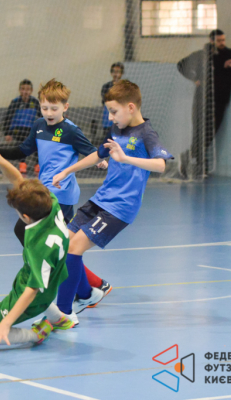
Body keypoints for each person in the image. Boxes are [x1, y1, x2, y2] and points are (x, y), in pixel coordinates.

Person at [46, 80, 173, 325]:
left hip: (120, 208)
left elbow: (160, 165)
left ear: (131, 107)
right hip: (100, 199)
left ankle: (64, 313)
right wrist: (67, 171)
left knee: (74, 248)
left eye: (113, 111)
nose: (110, 117)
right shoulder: (116, 129)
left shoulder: (146, 133)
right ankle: (88, 294)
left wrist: (126, 158)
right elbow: (98, 154)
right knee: (62, 244)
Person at [0, 79, 112, 319]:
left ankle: (88, 287)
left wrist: (100, 160)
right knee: (50, 243)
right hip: (44, 192)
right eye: (44, 108)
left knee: (33, 234)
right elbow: (23, 150)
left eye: (54, 108)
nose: (48, 113)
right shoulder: (39, 125)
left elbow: (90, 150)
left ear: (65, 107)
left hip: (62, 197)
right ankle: (92, 286)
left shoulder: (70, 130)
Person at [0, 136, 74, 346]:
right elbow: (18, 179)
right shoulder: (50, 202)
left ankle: (38, 334)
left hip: (36, 297)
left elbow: (31, 291)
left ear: (26, 216)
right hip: (54, 276)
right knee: (19, 230)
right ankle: (59, 319)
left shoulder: (39, 247)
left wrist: (6, 323)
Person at [177, 29, 231, 178]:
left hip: (220, 100)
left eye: (223, 40)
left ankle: (189, 155)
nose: (222, 43)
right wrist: (194, 78)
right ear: (212, 41)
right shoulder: (202, 55)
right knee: (198, 132)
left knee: (210, 133)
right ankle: (198, 162)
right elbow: (181, 64)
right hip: (202, 99)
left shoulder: (229, 54)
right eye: (219, 41)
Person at [3, 79, 41, 174]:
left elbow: (41, 116)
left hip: (30, 128)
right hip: (17, 129)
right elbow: (8, 118)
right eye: (23, 89)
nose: (25, 92)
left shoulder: (35, 102)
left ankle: (38, 164)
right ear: (20, 90)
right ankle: (22, 163)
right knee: (23, 138)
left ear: (31, 91)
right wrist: (7, 133)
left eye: (28, 89)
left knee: (38, 138)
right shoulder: (15, 102)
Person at [100, 63, 124, 144]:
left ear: (121, 73)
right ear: (111, 73)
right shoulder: (106, 86)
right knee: (108, 139)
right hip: (108, 117)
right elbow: (104, 101)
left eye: (118, 72)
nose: (116, 74)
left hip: (121, 117)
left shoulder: (124, 87)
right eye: (114, 72)